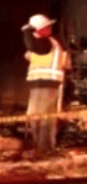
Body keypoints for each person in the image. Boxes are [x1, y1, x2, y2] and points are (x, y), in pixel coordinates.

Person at [22, 14, 70, 155]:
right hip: (40, 84)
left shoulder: (46, 43)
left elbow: (33, 46)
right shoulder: (44, 44)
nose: (50, 28)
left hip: (48, 84)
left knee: (44, 119)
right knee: (35, 117)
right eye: (47, 26)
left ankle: (45, 150)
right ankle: (40, 147)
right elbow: (31, 53)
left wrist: (26, 31)